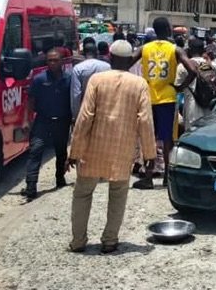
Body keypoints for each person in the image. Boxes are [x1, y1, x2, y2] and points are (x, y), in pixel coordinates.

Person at [67, 40, 156, 254]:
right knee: (117, 195)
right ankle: (109, 241)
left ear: (110, 58)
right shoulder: (139, 84)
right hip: (122, 150)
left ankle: (78, 241)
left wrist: (75, 151)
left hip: (92, 150)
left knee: (82, 194)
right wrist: (149, 153)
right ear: (128, 60)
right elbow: (145, 120)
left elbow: (85, 116)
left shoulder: (97, 80)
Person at [131, 17, 199, 189]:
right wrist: (180, 87)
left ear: (154, 30)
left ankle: (147, 177)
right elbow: (192, 70)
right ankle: (167, 177)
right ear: (168, 30)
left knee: (149, 137)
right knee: (168, 138)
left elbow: (126, 63)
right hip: (168, 97)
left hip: (148, 96)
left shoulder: (144, 48)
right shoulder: (175, 49)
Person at [22, 49, 73, 200]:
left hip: (62, 121)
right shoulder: (39, 80)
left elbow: (74, 100)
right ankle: (31, 186)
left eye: (55, 60)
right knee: (35, 152)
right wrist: (27, 120)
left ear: (62, 62)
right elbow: (30, 101)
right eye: (49, 60)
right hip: (43, 121)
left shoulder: (69, 79)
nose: (52, 63)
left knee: (61, 152)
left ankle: (60, 179)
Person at [176, 39, 216, 126]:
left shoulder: (183, 66)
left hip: (192, 109)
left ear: (189, 50)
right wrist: (209, 60)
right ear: (203, 50)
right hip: (209, 109)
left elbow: (177, 87)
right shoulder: (210, 64)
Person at [70, 39, 112, 116]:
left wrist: (76, 115)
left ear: (83, 53)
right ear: (97, 53)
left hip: (86, 110)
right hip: (104, 109)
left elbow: (76, 94)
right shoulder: (107, 66)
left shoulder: (78, 68)